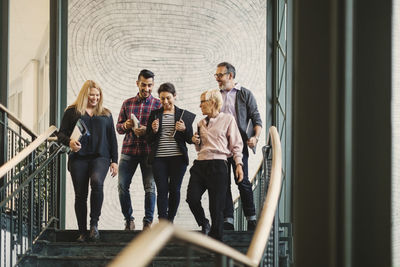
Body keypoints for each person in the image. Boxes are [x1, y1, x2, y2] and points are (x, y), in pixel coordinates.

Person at [57, 80, 118, 242]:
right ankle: (82, 232)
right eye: (92, 94)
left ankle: (94, 225)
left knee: (97, 182)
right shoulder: (72, 112)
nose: (95, 98)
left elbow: (112, 139)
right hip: (78, 158)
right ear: (85, 94)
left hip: (101, 157)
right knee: (80, 195)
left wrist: (115, 161)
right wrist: (69, 142)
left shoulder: (106, 114)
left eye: (97, 95)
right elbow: (60, 134)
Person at [186, 89, 243, 241]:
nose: (200, 106)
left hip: (218, 165)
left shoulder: (228, 119)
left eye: (202, 102)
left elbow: (236, 145)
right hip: (200, 164)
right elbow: (200, 147)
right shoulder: (200, 123)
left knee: (216, 208)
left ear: (212, 102)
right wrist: (196, 142)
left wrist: (239, 165)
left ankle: (215, 246)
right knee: (191, 198)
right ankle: (204, 222)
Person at [214, 62, 262, 231]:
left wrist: (255, 138)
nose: (218, 79)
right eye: (216, 76)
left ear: (230, 76)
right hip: (220, 145)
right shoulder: (216, 95)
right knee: (223, 182)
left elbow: (256, 119)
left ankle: (251, 218)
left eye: (220, 75)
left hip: (239, 143)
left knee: (242, 181)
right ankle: (228, 219)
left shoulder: (244, 94)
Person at [116, 69, 161, 230]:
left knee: (150, 187)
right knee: (122, 186)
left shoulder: (158, 104)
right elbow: (118, 128)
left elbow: (162, 132)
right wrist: (126, 125)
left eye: (149, 85)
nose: (146, 88)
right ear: (137, 83)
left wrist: (146, 130)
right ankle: (129, 219)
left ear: (153, 85)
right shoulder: (127, 103)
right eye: (143, 84)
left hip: (149, 152)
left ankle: (147, 222)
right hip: (129, 151)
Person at [146, 82, 194, 223]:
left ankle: (170, 220)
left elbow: (190, 139)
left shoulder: (182, 114)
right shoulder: (155, 114)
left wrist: (184, 129)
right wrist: (153, 131)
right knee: (161, 190)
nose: (165, 101)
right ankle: (162, 221)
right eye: (162, 99)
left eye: (168, 98)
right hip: (159, 158)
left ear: (174, 96)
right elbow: (148, 139)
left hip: (178, 159)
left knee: (174, 189)